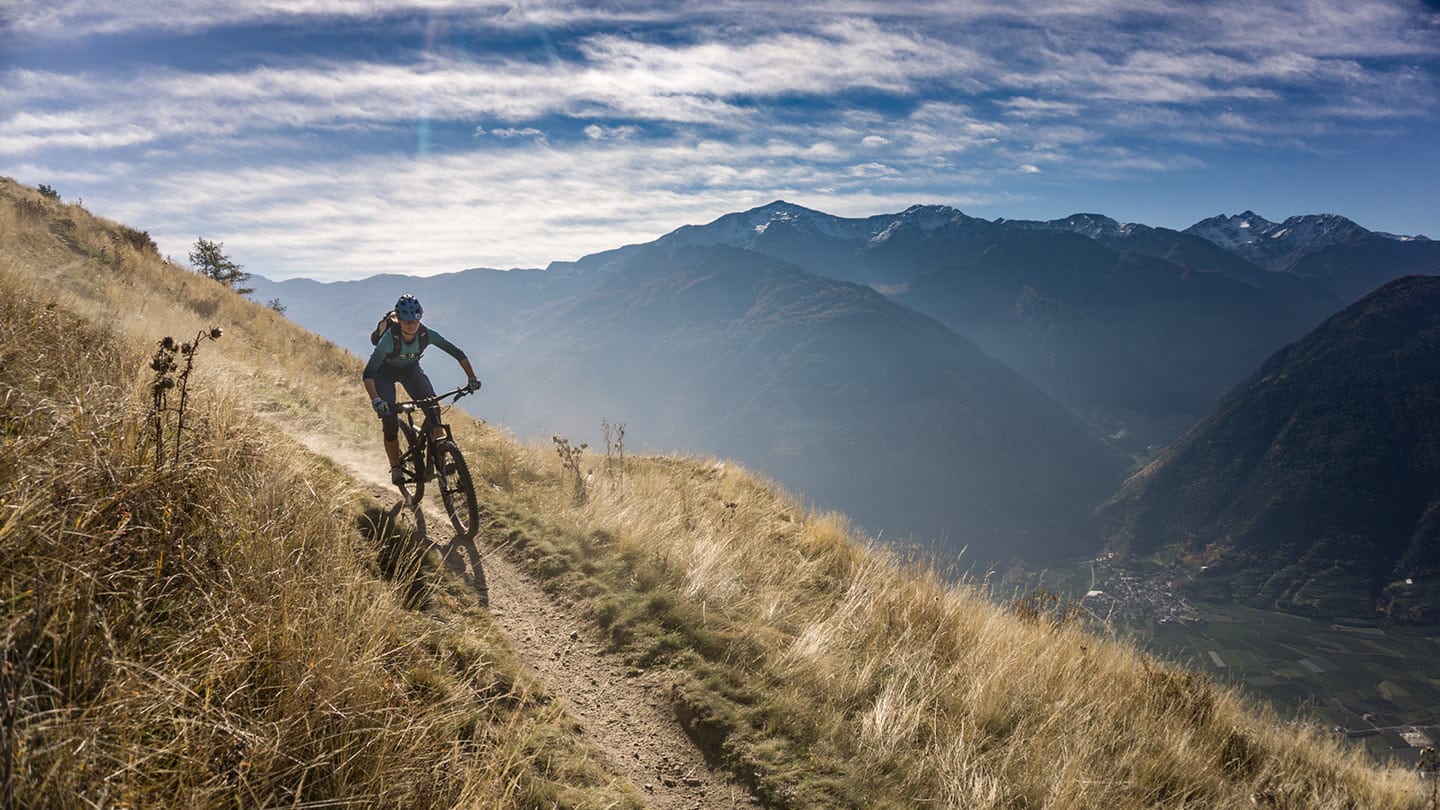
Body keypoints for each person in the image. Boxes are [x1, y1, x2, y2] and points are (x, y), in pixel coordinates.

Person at [362, 293, 481, 484]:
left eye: (415, 321)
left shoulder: (426, 334)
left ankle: (443, 455)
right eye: (407, 322)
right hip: (383, 374)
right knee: (390, 422)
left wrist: (472, 377)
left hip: (410, 370)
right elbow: (368, 374)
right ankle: (395, 468)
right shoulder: (388, 340)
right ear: (399, 320)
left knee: (433, 409)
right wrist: (376, 399)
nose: (412, 325)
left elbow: (457, 353)